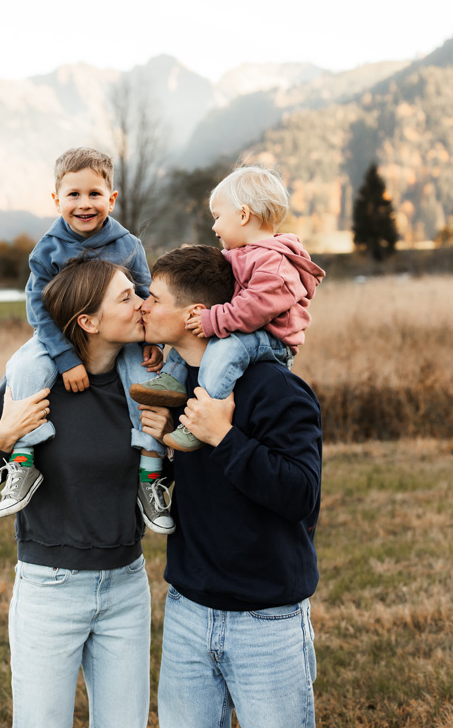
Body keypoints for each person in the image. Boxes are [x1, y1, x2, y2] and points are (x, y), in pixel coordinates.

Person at [0, 257, 172, 728]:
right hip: (49, 590)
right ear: (88, 321)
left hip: (126, 587)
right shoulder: (34, 383)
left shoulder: (148, 389)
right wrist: (2, 437)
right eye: (126, 298)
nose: (142, 305)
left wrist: (171, 447)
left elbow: (162, 481)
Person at [138, 244, 322, 728]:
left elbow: (302, 493)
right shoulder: (180, 386)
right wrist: (168, 445)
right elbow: (204, 487)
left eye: (154, 299)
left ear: (195, 314)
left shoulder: (273, 387)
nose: (144, 306)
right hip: (187, 611)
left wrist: (222, 436)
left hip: (266, 620)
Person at [0, 146, 173, 534]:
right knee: (24, 367)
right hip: (56, 338)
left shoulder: (128, 245)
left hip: (117, 337)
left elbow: (143, 295)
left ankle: (150, 474)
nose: (84, 203)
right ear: (56, 199)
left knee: (145, 382)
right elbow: (38, 307)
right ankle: (23, 461)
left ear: (111, 198)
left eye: (94, 194)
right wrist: (64, 358)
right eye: (73, 194)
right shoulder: (47, 249)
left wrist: (152, 341)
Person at [130, 164, 325, 451]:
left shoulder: (275, 263)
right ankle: (173, 380)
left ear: (243, 215)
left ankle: (203, 415)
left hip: (271, 337)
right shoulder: (241, 254)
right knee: (197, 345)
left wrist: (214, 319)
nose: (214, 226)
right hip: (248, 327)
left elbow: (256, 306)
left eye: (218, 217)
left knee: (226, 347)